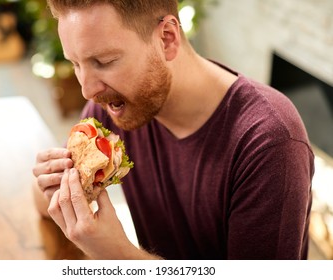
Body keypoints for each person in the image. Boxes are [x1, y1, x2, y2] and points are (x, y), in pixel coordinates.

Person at [32, 0, 314, 260]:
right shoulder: (113, 109)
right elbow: (43, 204)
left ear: (167, 38)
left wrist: (118, 256)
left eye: (104, 62)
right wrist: (54, 183)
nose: (87, 90)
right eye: (76, 63)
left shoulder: (270, 141)